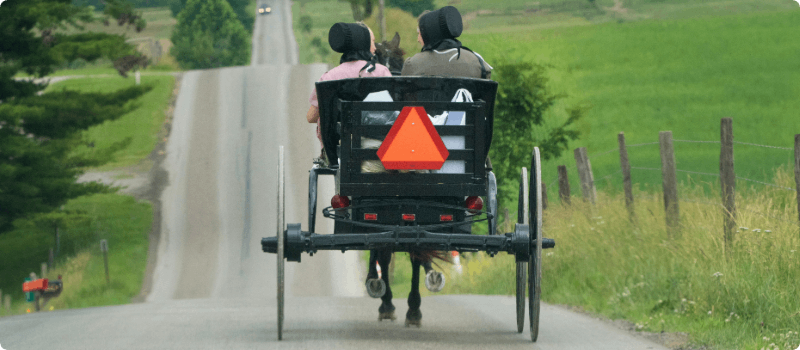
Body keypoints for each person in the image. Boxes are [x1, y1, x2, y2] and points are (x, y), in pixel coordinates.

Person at [307, 22, 392, 161]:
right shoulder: (381, 71)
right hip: (380, 148)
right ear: (364, 43)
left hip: (340, 151)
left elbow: (311, 117)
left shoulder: (329, 77)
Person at [400, 6, 492, 79]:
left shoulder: (412, 64)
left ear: (430, 33)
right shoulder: (479, 64)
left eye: (420, 32)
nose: (418, 39)